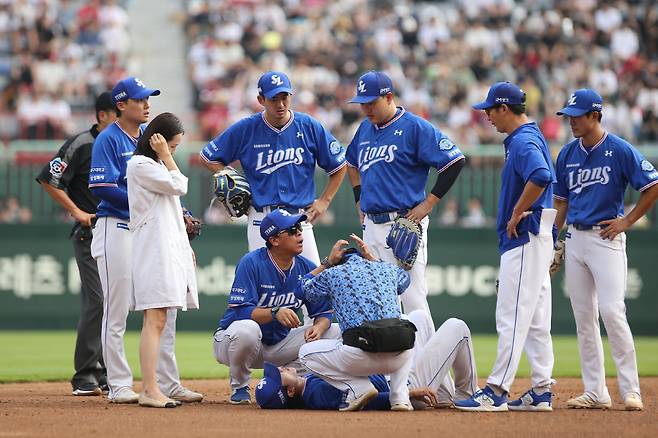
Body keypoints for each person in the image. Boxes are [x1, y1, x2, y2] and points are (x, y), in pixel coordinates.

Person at [89, 77, 202, 404]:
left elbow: (167, 188)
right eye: (140, 99)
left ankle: (168, 381)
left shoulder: (150, 141)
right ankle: (120, 383)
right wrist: (146, 205)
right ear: (121, 105)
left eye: (149, 98)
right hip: (117, 227)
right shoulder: (109, 139)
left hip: (153, 233)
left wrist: (177, 214)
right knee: (118, 306)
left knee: (165, 307)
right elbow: (101, 187)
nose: (147, 104)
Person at [553, 89, 658, 411]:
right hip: (576, 238)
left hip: (606, 238)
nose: (571, 121)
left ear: (595, 116)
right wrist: (555, 240)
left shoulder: (619, 149)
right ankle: (595, 390)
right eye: (569, 116)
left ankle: (631, 390)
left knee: (612, 312)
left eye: (577, 116)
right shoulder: (567, 153)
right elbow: (561, 202)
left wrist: (627, 220)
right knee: (584, 319)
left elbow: (652, 185)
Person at [455, 82, 557, 412]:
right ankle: (541, 390)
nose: (486, 115)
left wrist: (516, 212)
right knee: (537, 318)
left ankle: (497, 390)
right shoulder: (529, 136)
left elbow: (540, 175)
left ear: (504, 108)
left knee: (512, 316)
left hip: (525, 236)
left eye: (490, 109)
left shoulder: (523, 140)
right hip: (537, 235)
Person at [345, 71, 465, 321]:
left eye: (371, 102)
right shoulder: (364, 129)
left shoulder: (414, 126)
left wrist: (429, 203)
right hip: (372, 225)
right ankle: (390, 361)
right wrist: (358, 199)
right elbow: (351, 163)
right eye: (362, 103)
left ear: (388, 97)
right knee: (377, 304)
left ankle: (427, 361)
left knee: (414, 302)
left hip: (404, 224)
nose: (366, 108)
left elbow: (454, 161)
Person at [199, 71, 346, 266]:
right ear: (261, 100)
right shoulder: (247, 128)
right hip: (262, 219)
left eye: (284, 97)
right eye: (273, 99)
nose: (280, 104)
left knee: (310, 287)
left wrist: (325, 201)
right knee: (266, 289)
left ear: (291, 96)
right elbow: (207, 157)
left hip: (298, 219)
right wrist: (232, 178)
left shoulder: (308, 125)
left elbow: (339, 164)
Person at [212, 209, 341, 404]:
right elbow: (241, 312)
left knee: (335, 331)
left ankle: (286, 380)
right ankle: (240, 387)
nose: (300, 233)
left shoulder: (306, 266)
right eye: (292, 230)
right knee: (247, 329)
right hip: (233, 342)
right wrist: (274, 312)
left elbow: (323, 312)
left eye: (299, 228)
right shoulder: (252, 262)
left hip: (278, 345)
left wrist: (319, 327)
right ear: (274, 240)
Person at [36, 91, 118, 396]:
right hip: (90, 233)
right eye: (116, 114)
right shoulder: (82, 143)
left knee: (115, 303)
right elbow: (48, 178)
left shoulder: (125, 144)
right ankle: (85, 373)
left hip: (119, 234)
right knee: (97, 301)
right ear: (103, 115)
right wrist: (76, 211)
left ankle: (107, 371)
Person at [294, 234, 422, 412]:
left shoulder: (333, 273)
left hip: (361, 357)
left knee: (305, 353)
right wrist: (373, 258)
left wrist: (327, 263)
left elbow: (300, 290)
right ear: (364, 259)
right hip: (398, 357)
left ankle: (359, 388)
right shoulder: (386, 269)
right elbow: (405, 280)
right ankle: (400, 397)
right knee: (405, 323)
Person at [255, 309, 478, 411]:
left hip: (396, 377)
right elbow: (367, 400)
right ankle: (466, 395)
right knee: (457, 327)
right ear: (290, 393)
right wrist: (408, 394)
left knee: (417, 317)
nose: (282, 367)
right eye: (280, 374)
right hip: (404, 389)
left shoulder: (307, 385)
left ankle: (443, 393)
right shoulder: (315, 393)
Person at [126, 113, 200, 408]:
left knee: (163, 319)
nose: (174, 151)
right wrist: (167, 156)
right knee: (154, 319)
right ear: (158, 141)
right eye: (173, 145)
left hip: (168, 249)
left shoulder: (154, 165)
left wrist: (185, 247)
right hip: (153, 252)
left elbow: (171, 208)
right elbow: (180, 185)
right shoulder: (141, 164)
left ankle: (163, 385)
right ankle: (149, 389)